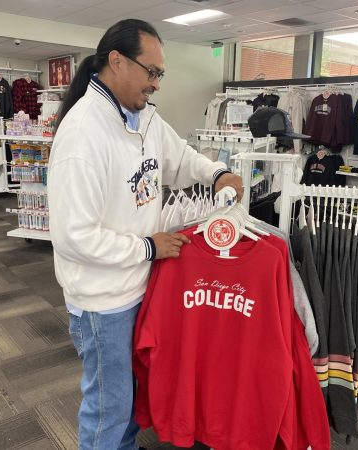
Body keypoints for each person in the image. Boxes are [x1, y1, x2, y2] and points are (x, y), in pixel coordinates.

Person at [47, 19, 243, 450]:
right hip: (103, 303)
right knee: (108, 408)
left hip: (141, 286)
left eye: (161, 75)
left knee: (132, 400)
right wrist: (148, 246)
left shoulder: (144, 119)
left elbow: (180, 158)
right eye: (151, 72)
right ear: (116, 61)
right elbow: (73, 236)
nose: (156, 84)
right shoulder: (82, 135)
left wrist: (217, 173)